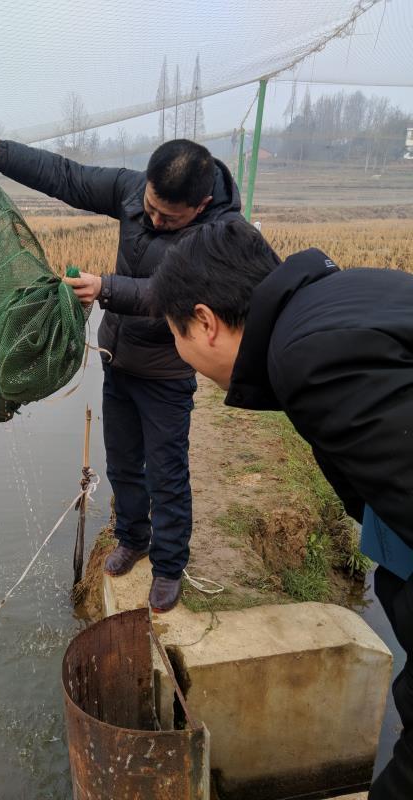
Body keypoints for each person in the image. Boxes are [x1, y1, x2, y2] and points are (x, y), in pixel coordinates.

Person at [150, 218, 413, 800]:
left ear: (204, 322)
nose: (182, 354)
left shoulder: (311, 359)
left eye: (177, 335)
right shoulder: (341, 297)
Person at [0, 121, 242, 612]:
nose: (154, 220)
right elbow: (69, 177)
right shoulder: (131, 189)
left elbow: (175, 297)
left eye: (168, 218)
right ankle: (132, 538)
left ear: (200, 206)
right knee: (122, 460)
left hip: (167, 372)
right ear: (145, 184)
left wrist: (106, 290)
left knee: (166, 473)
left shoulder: (222, 234)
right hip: (118, 358)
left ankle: (168, 566)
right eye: (149, 208)